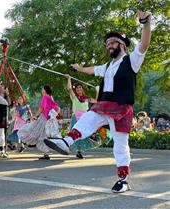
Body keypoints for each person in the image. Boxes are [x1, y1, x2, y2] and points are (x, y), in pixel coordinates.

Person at [44, 11, 152, 193]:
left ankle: (123, 180)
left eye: (112, 42)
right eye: (107, 44)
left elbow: (144, 44)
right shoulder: (108, 66)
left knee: (120, 145)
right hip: (105, 105)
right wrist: (79, 68)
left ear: (123, 45)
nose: (109, 46)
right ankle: (66, 142)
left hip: (122, 108)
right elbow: (93, 70)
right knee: (88, 118)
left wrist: (146, 24)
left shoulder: (131, 60)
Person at [18, 85, 60, 160]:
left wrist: (34, 116)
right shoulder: (50, 97)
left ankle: (46, 153)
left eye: (42, 89)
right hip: (48, 120)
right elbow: (56, 108)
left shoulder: (45, 97)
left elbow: (41, 109)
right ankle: (46, 153)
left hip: (44, 119)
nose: (41, 90)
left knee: (35, 131)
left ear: (45, 90)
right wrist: (53, 115)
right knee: (43, 135)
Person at [65, 74, 97, 159]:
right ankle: (72, 148)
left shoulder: (87, 98)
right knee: (74, 134)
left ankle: (79, 151)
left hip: (84, 118)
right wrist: (69, 78)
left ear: (82, 89)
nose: (78, 89)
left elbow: (97, 101)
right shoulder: (74, 97)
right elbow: (69, 88)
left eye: (80, 88)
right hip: (76, 118)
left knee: (84, 134)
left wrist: (98, 90)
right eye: (77, 88)